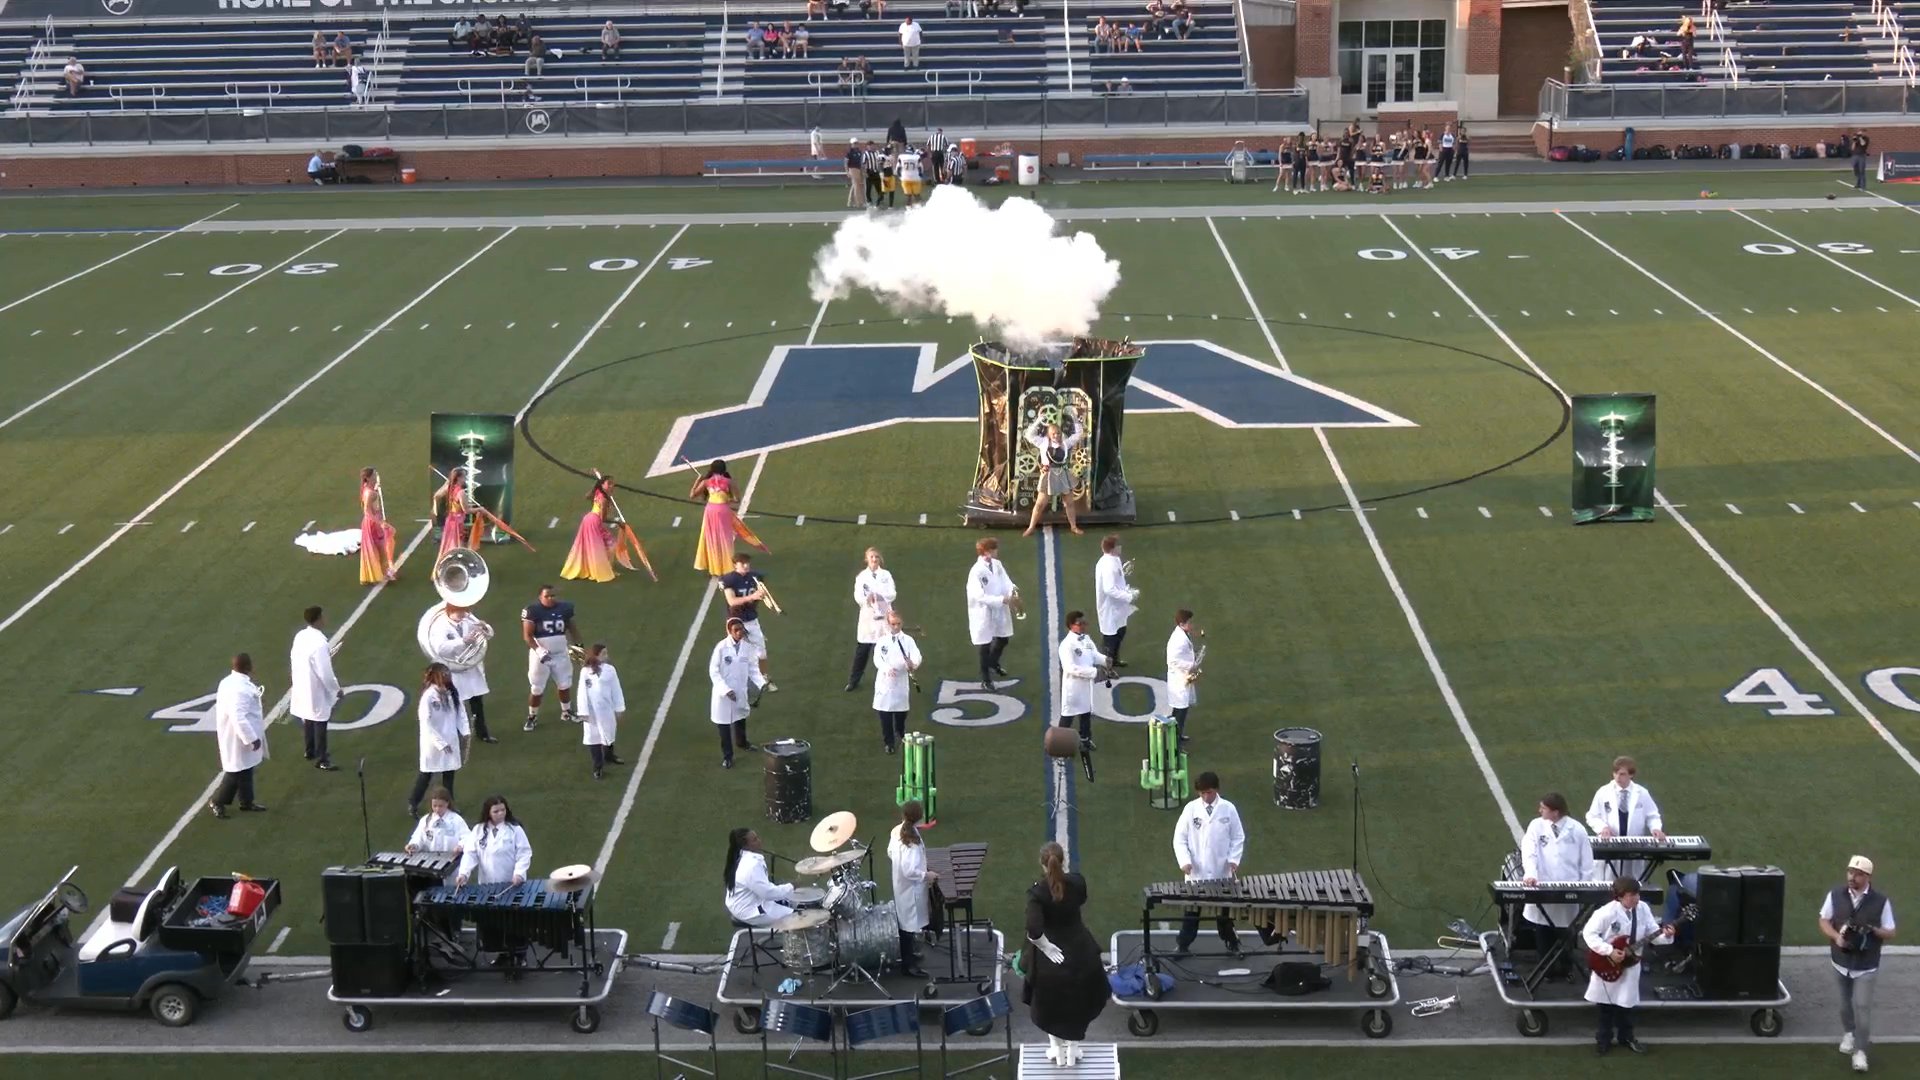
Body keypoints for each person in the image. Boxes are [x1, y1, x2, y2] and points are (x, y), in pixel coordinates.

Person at [1024, 842, 1108, 1067]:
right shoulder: (1078, 882)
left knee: (1050, 1005)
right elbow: (1079, 899)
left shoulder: (1037, 892)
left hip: (1052, 957)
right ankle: (1073, 1050)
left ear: (1042, 864)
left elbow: (1033, 929)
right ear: (1065, 860)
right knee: (1078, 1003)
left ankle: (1057, 1050)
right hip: (1082, 951)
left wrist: (1047, 947)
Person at [1820, 855, 1895, 1073]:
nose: (1852, 877)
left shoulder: (1880, 901)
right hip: (1841, 960)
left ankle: (1861, 1051)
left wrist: (1872, 930)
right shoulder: (1836, 894)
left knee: (1862, 1007)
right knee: (1844, 1004)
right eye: (1850, 872)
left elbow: (1890, 931)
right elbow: (1824, 919)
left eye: (1858, 874)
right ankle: (1849, 1033)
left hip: (1866, 964)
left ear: (1868, 877)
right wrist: (1836, 937)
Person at [1582, 877, 1662, 1055]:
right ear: (1619, 897)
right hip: (1608, 964)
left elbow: (1653, 933)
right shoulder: (1606, 913)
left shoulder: (1643, 909)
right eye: (1631, 895)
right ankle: (1603, 1040)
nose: (1636, 898)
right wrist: (1608, 951)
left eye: (1637, 894)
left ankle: (1626, 1037)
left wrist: (1667, 935)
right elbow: (1589, 934)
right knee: (1606, 1007)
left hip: (1631, 965)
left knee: (1627, 1007)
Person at [1172, 771, 1244, 957]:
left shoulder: (1229, 809)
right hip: (1196, 873)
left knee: (1224, 915)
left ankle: (1232, 943)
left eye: (1209, 792)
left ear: (1217, 790)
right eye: (1202, 793)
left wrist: (1234, 860)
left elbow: (1238, 837)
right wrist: (1185, 861)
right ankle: (1182, 945)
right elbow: (1179, 838)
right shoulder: (1190, 809)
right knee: (1191, 915)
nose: (1206, 797)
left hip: (1222, 872)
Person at [1521, 792, 1595, 972]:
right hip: (1542, 884)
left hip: (1569, 886)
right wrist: (1530, 874)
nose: (1539, 811)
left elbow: (1586, 861)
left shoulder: (1577, 829)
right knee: (1543, 928)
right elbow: (1529, 853)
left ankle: (1565, 968)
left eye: (1543, 808)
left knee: (1566, 930)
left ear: (1555, 812)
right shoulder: (1536, 826)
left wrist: (1584, 887)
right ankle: (1545, 969)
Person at [207, 654, 267, 819]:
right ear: (249, 667)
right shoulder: (241, 689)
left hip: (233, 733)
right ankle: (218, 801)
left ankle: (246, 801)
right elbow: (238, 716)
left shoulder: (228, 681)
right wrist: (251, 738)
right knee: (236, 771)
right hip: (238, 736)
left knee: (246, 768)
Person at [1585, 755, 1664, 881]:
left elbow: (1652, 815)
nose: (1617, 777)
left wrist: (1656, 828)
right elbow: (1591, 816)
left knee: (1633, 882)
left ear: (1631, 775)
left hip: (1634, 845)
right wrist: (1602, 828)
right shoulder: (1603, 792)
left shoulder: (1641, 793)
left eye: (1622, 774)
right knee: (1610, 883)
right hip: (1611, 844)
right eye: (1615, 773)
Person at [691, 459, 771, 576]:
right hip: (723, 510)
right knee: (725, 539)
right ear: (724, 470)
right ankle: (727, 567)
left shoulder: (706, 482)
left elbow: (692, 495)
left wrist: (698, 481)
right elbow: (737, 499)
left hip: (710, 511)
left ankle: (714, 569)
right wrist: (726, 499)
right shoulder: (729, 482)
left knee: (712, 539)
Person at [409, 663, 468, 818]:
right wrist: (441, 744)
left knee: (449, 774)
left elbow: (461, 714)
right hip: (433, 743)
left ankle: (450, 805)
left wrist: (465, 733)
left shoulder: (452, 693)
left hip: (451, 739)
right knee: (426, 774)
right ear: (435, 676)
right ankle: (413, 803)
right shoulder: (428, 696)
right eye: (443, 673)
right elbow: (426, 723)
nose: (447, 675)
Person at [521, 583, 580, 731]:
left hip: (560, 653)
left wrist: (578, 643)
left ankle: (566, 712)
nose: (550, 598)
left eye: (552, 595)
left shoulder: (564, 608)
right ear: (540, 597)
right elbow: (527, 636)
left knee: (565, 684)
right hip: (541, 655)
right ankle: (532, 717)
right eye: (547, 596)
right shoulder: (532, 611)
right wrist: (538, 650)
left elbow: (571, 626)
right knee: (537, 688)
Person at [289, 606, 342, 772]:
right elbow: (325, 672)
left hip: (301, 682)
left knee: (308, 716)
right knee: (320, 719)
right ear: (318, 619)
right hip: (314, 687)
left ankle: (309, 750)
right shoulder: (319, 643)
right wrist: (336, 689)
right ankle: (322, 758)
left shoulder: (300, 636)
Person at [888, 801, 937, 976]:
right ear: (919, 817)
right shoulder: (912, 842)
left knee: (905, 923)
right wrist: (926, 875)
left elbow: (890, 852)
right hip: (912, 889)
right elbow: (909, 870)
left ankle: (909, 958)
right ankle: (908, 966)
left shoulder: (897, 831)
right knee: (908, 926)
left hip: (901, 886)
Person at [719, 553, 777, 694]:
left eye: (747, 563)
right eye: (742, 563)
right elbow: (732, 601)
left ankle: (764, 678)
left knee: (762, 653)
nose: (745, 565)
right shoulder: (730, 580)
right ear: (735, 565)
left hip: (751, 619)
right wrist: (753, 596)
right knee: (734, 654)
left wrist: (761, 594)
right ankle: (731, 682)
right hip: (736, 620)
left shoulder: (755, 577)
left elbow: (760, 590)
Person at [965, 537, 1017, 689]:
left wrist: (1012, 591)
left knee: (1003, 638)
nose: (997, 551)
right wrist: (1002, 600)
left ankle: (993, 662)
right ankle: (986, 679)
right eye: (994, 549)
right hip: (984, 611)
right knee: (985, 645)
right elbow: (979, 596)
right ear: (987, 552)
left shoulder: (997, 564)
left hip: (1000, 608)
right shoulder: (976, 571)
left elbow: (1006, 581)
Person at [1022, 417, 1085, 536]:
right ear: (1049, 434)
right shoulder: (1042, 443)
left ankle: (1073, 526)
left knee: (1069, 503)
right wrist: (1039, 419)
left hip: (1063, 474)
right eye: (1053, 433)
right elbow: (1029, 435)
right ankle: (1031, 527)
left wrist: (1076, 420)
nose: (1056, 435)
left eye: (1058, 433)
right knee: (1040, 504)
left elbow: (1078, 434)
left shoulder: (1066, 443)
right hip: (1048, 474)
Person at [847, 547, 898, 691]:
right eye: (871, 557)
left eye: (876, 557)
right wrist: (867, 600)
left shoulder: (886, 575)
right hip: (868, 619)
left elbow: (892, 593)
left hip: (883, 618)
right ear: (867, 559)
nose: (874, 559)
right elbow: (858, 597)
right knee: (862, 651)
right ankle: (853, 681)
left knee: (886, 650)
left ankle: (889, 679)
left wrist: (880, 597)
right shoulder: (861, 577)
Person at [1056, 611, 1107, 751]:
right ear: (1071, 625)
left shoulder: (1086, 639)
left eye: (1085, 623)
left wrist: (1105, 661)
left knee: (1086, 713)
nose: (1084, 626)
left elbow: (1094, 655)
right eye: (1080, 624)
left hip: (1086, 685)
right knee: (1068, 716)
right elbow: (1070, 668)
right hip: (1074, 687)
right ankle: (1058, 745)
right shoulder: (1067, 645)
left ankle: (1085, 739)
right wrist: (1095, 672)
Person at [709, 617, 757, 768]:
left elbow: (752, 668)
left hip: (740, 690)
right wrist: (726, 690)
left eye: (741, 629)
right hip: (723, 695)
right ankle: (728, 756)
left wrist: (761, 683)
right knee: (724, 726)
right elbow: (713, 671)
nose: (739, 632)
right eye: (736, 630)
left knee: (740, 718)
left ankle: (742, 743)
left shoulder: (747, 647)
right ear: (729, 631)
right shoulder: (721, 648)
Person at [724, 828, 795, 926]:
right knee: (796, 917)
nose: (759, 841)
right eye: (755, 840)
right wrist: (791, 886)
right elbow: (768, 893)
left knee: (787, 898)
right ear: (745, 846)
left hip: (743, 902)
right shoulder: (751, 865)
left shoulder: (739, 856)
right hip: (749, 910)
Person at [456, 795, 531, 887]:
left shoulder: (515, 829)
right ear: (488, 813)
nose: (500, 813)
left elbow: (524, 853)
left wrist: (519, 873)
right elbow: (470, 854)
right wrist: (463, 873)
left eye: (503, 810)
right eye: (496, 811)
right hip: (486, 884)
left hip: (511, 883)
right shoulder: (478, 830)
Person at [873, 611, 921, 753]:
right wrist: (887, 669)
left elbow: (916, 656)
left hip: (900, 681)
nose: (896, 627)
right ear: (888, 624)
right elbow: (878, 659)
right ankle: (889, 743)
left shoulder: (908, 641)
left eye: (898, 624)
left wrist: (913, 664)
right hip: (885, 682)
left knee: (900, 713)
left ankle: (900, 733)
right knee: (885, 714)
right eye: (893, 624)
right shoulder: (882, 641)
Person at [578, 644, 626, 780]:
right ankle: (597, 766)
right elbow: (581, 692)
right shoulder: (585, 672)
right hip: (591, 711)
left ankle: (609, 756)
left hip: (606, 709)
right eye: (604, 653)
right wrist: (583, 711)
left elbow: (616, 689)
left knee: (608, 733)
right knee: (593, 738)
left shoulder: (610, 670)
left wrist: (619, 708)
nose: (607, 656)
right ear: (596, 655)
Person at [562, 475, 619, 583]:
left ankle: (597, 567)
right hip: (594, 522)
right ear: (603, 485)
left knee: (592, 545)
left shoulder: (598, 492)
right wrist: (617, 522)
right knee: (611, 545)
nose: (612, 486)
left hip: (588, 519)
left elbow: (587, 496)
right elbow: (603, 519)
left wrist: (597, 487)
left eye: (612, 483)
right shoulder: (604, 500)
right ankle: (605, 569)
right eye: (609, 483)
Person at [1092, 535, 1137, 665]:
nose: (1121, 547)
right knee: (1110, 639)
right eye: (1118, 545)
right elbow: (1109, 589)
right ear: (1113, 548)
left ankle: (1114, 660)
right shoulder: (1108, 565)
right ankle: (1107, 666)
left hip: (1118, 607)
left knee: (1120, 631)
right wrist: (1129, 596)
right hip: (1110, 608)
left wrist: (1126, 590)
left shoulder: (1114, 559)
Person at [1165, 609, 1200, 743]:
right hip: (1178, 680)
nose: (1192, 624)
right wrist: (1190, 665)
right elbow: (1172, 660)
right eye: (1189, 622)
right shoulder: (1178, 639)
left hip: (1182, 678)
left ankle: (1177, 736)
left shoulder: (1182, 634)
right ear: (1181, 624)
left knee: (1181, 709)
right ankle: (1174, 742)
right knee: (1180, 712)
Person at [356, 467, 396, 584]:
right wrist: (381, 523)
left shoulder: (366, 489)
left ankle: (380, 572)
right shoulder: (370, 494)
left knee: (378, 546)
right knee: (380, 547)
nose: (375, 476)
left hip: (373, 521)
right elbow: (367, 511)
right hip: (373, 523)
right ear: (368, 478)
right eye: (373, 475)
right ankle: (383, 573)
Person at [406, 787, 467, 860]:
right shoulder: (425, 820)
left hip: (452, 861)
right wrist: (413, 845)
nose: (437, 809)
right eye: (434, 806)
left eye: (440, 806)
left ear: (447, 803)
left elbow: (467, 838)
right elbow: (418, 837)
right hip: (430, 861)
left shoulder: (457, 820)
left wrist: (460, 846)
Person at [431, 466, 471, 559]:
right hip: (458, 521)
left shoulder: (449, 488)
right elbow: (467, 510)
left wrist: (435, 508)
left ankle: (452, 561)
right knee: (460, 544)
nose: (465, 479)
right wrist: (480, 509)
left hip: (450, 520)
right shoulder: (461, 492)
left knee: (451, 544)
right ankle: (458, 562)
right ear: (459, 478)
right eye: (464, 476)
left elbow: (436, 496)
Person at [845, 137, 867, 209]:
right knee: (857, 186)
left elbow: (860, 162)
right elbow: (846, 163)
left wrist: (862, 171)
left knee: (856, 185)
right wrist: (847, 171)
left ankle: (850, 202)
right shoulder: (849, 153)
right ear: (851, 144)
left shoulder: (859, 152)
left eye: (857, 143)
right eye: (854, 143)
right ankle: (859, 203)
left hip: (858, 169)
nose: (856, 145)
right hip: (852, 169)